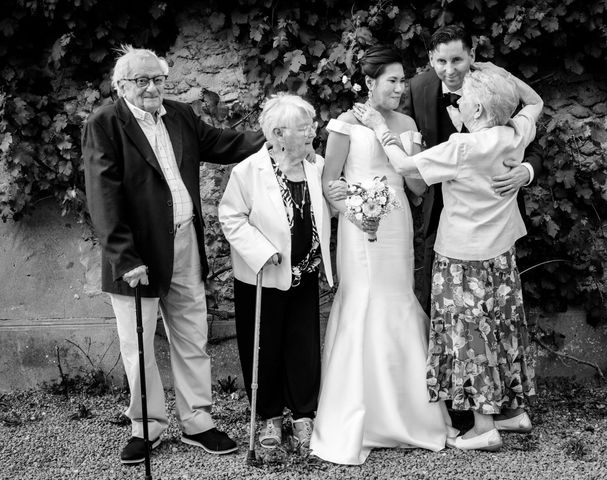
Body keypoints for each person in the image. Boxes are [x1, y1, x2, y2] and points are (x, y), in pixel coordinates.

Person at [82, 45, 264, 464]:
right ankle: (146, 428)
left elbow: (222, 143)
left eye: (158, 79)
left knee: (191, 336)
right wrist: (124, 258)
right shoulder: (106, 123)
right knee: (138, 344)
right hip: (137, 255)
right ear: (121, 85)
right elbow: (102, 197)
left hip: (184, 244)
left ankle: (198, 422)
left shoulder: (179, 114)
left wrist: (270, 137)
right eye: (141, 80)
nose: (151, 87)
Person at [353, 61, 542, 451]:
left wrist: (379, 127)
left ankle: (483, 426)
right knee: (500, 327)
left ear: (476, 110)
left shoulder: (463, 147)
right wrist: (502, 75)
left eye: (465, 99)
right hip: (500, 256)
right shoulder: (514, 133)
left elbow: (406, 166)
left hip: (462, 260)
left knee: (470, 336)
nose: (458, 101)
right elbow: (535, 101)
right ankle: (511, 412)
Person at [309, 46, 450, 465]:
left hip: (398, 225)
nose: (400, 87)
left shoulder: (407, 123)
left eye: (403, 80)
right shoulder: (342, 126)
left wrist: (390, 141)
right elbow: (329, 184)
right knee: (364, 302)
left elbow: (420, 187)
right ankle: (360, 415)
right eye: (391, 80)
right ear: (369, 83)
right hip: (359, 232)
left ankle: (408, 413)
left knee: (397, 299)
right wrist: (359, 210)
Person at [218, 93, 334, 450]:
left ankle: (303, 416)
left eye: (310, 125)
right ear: (280, 134)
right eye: (304, 128)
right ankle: (269, 419)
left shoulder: (317, 166)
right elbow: (230, 216)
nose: (312, 132)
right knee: (263, 347)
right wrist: (261, 251)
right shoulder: (249, 171)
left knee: (303, 346)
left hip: (305, 273)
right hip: (263, 277)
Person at [402, 24, 543, 307]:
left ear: (473, 55)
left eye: (457, 60)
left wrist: (525, 172)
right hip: (439, 215)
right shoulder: (417, 89)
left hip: (493, 220)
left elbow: (535, 144)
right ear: (431, 59)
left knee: (494, 302)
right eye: (441, 61)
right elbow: (407, 134)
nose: (449, 70)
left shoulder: (496, 86)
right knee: (436, 298)